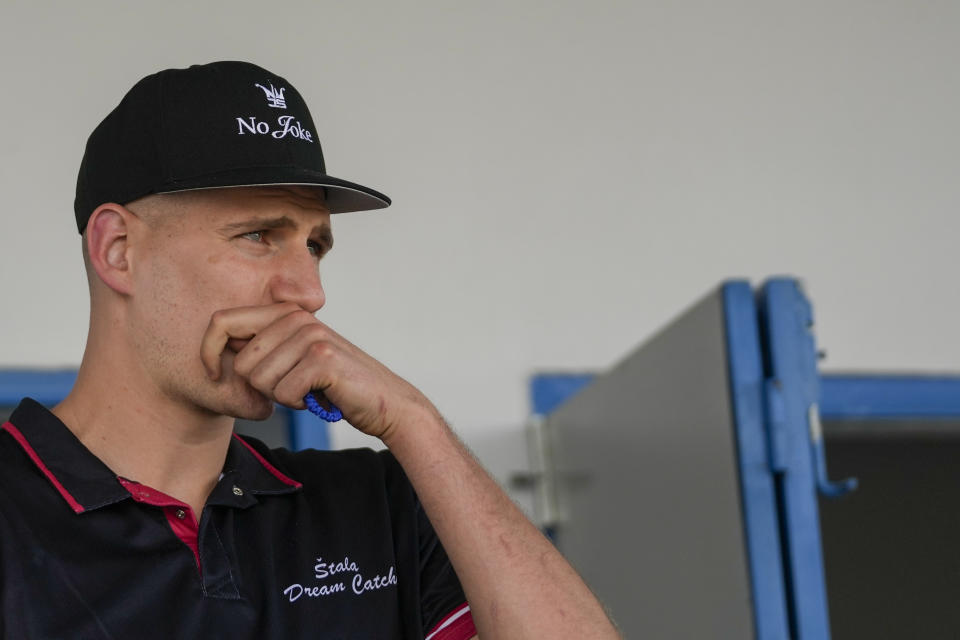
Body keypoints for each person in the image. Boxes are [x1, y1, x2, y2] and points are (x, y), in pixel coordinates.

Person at [0, 61, 620, 639]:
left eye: (315, 246)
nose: (309, 292)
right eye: (259, 235)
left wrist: (413, 421)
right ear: (118, 250)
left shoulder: (378, 503)